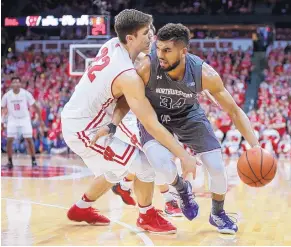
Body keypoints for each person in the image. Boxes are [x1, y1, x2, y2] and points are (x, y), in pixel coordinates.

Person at [93, 23, 260, 234]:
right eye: (158, 48)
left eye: (166, 50)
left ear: (183, 52)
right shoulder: (146, 66)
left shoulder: (203, 73)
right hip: (155, 118)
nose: (159, 54)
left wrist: (255, 146)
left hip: (189, 116)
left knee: (217, 168)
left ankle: (217, 214)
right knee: (161, 165)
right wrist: (113, 123)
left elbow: (234, 111)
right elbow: (127, 99)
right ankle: (182, 189)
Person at [61, 10, 197, 234]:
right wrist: (184, 155)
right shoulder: (127, 75)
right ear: (131, 38)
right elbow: (150, 122)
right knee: (145, 166)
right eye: (146, 33)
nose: (152, 36)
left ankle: (81, 208)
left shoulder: (113, 44)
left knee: (116, 171)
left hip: (86, 118)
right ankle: (147, 216)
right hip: (84, 130)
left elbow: (134, 67)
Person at [110, 24, 183, 217]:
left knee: (155, 156)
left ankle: (124, 185)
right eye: (147, 34)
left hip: (144, 112)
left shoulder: (153, 58)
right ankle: (169, 201)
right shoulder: (126, 56)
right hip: (127, 114)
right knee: (153, 155)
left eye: (151, 34)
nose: (150, 38)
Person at [1, 76, 45, 169]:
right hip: (12, 118)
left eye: (17, 82)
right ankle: (10, 162)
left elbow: (35, 106)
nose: (16, 84)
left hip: (24, 118)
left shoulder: (26, 94)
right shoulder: (7, 95)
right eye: (14, 82)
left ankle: (33, 161)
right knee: (9, 140)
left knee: (29, 139)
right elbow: (2, 108)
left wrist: (40, 119)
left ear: (20, 84)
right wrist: (2, 120)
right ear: (11, 84)